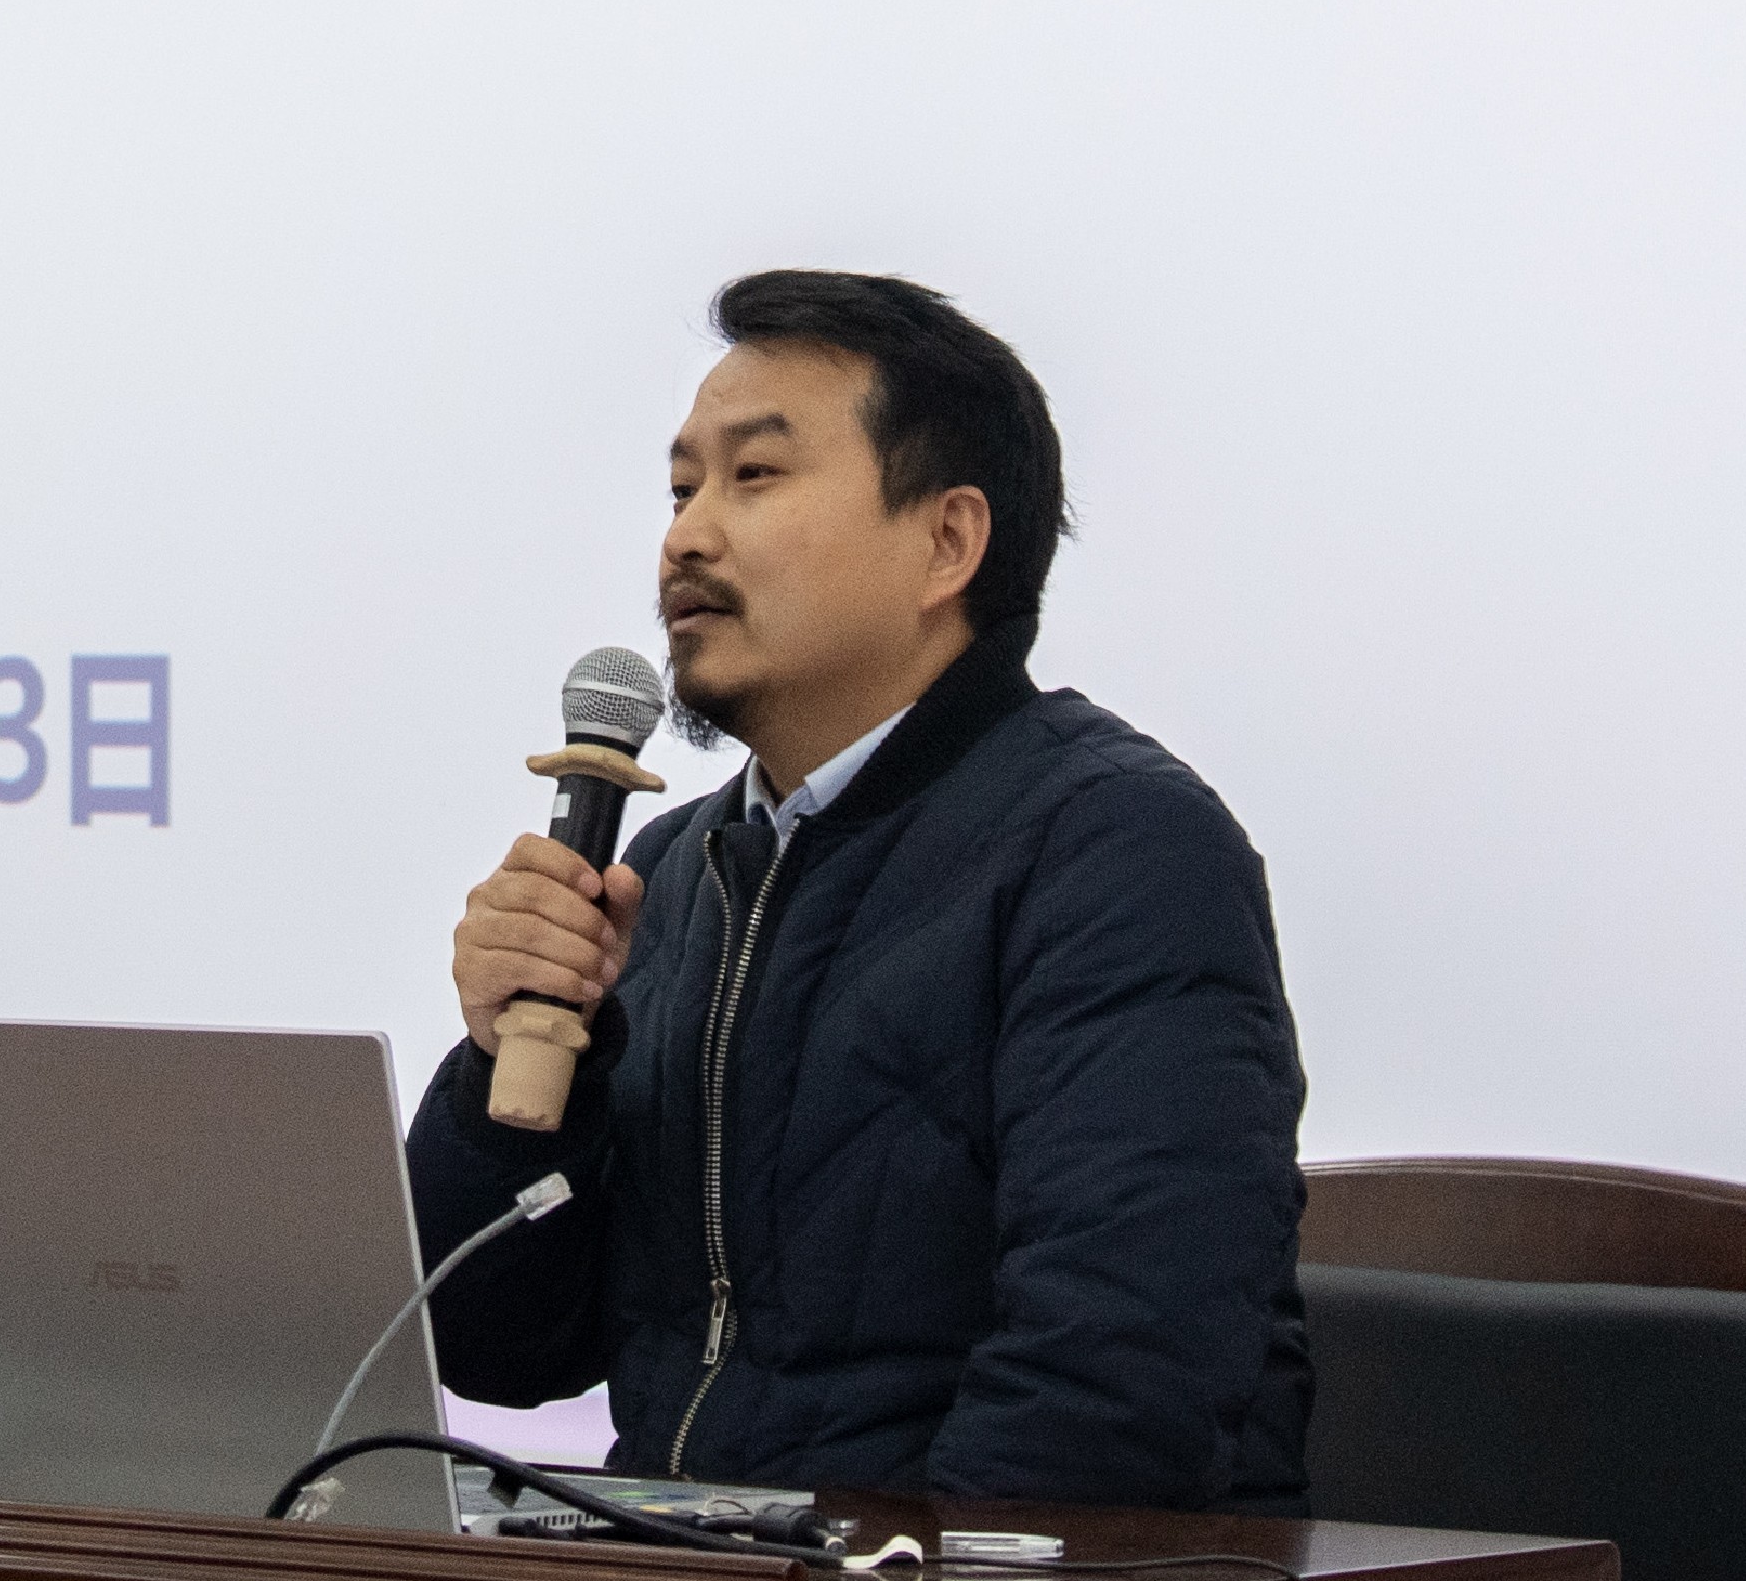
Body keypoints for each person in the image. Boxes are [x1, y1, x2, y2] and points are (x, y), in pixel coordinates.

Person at [408, 270, 1311, 1511]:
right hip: (708, 1579)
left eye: (754, 475)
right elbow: (496, 1345)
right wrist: (507, 1077)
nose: (686, 537)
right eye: (680, 489)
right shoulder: (666, 872)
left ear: (947, 542)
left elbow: (1117, 1380)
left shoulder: (1115, 848)